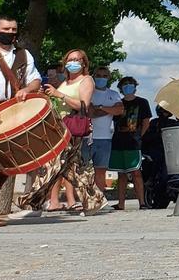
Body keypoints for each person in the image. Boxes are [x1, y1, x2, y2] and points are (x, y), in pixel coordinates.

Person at [18, 49, 107, 214]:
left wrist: (59, 95)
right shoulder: (65, 82)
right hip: (59, 128)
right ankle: (95, 200)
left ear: (84, 63)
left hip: (72, 129)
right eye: (70, 59)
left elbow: (83, 106)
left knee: (50, 165)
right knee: (74, 169)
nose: (73, 62)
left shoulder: (86, 81)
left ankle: (30, 203)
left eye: (77, 60)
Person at [0, 14, 43, 226]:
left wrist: (26, 90)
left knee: (2, 168)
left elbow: (35, 79)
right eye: (6, 29)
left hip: (10, 113)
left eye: (13, 30)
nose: (10, 33)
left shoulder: (23, 55)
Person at [110, 76, 151, 210]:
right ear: (121, 88)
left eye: (130, 84)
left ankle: (142, 202)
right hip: (118, 141)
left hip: (134, 143)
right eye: (125, 84)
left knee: (136, 172)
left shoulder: (142, 102)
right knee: (121, 174)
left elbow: (146, 121)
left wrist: (140, 136)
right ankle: (121, 203)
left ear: (135, 86)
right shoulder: (118, 104)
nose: (128, 86)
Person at [88, 66, 123, 196]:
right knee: (85, 170)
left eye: (104, 76)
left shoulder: (113, 94)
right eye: (98, 75)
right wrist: (109, 109)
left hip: (105, 138)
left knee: (101, 170)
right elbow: (90, 112)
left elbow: (119, 110)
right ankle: (86, 198)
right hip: (89, 136)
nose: (101, 78)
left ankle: (100, 197)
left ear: (108, 78)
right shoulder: (89, 92)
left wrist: (100, 107)